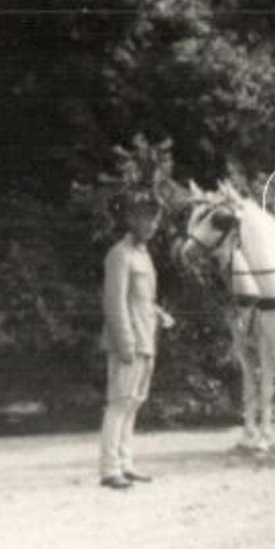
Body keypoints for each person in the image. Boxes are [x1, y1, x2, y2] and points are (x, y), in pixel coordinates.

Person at [99, 195, 174, 490]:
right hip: (128, 342)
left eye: (156, 220)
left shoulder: (143, 255)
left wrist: (159, 313)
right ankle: (109, 469)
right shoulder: (119, 254)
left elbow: (143, 299)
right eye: (147, 218)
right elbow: (114, 303)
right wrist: (126, 343)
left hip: (147, 338)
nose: (153, 225)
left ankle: (126, 464)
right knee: (118, 404)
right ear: (132, 219)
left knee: (133, 405)